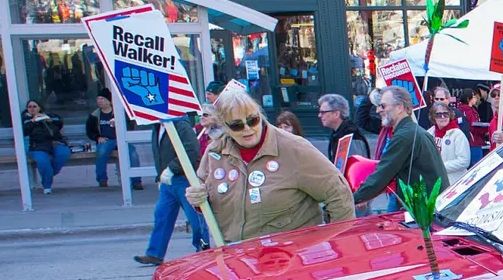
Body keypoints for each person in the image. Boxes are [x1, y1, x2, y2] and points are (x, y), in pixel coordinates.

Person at [183, 86, 354, 243]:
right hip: (237, 261)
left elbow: (338, 193)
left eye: (252, 120)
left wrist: (336, 245)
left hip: (291, 261)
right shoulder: (215, 152)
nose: (247, 129)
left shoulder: (293, 148)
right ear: (224, 126)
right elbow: (205, 190)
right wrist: (198, 198)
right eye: (236, 125)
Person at [352, 85, 447, 207]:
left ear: (399, 108)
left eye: (383, 106)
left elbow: (382, 175)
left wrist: (353, 199)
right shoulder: (410, 131)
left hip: (423, 208)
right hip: (423, 204)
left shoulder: (405, 136)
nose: (378, 110)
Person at [135, 114, 207, 266]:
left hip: (184, 178)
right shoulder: (158, 126)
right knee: (162, 216)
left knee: (195, 219)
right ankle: (155, 253)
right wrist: (160, 176)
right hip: (168, 180)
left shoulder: (180, 125)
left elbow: (192, 151)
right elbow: (160, 155)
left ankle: (203, 251)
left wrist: (171, 169)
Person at [87, 89, 142, 190]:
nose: (100, 101)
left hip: (120, 138)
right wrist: (97, 137)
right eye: (98, 99)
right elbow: (90, 130)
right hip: (106, 140)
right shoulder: (94, 115)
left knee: (132, 153)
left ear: (109, 101)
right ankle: (102, 179)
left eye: (102, 99)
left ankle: (136, 181)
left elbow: (130, 126)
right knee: (102, 152)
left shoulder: (120, 112)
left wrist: (118, 125)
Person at [21, 99, 71, 194]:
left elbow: (59, 123)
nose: (32, 108)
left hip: (54, 142)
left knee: (64, 153)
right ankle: (47, 185)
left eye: (34, 106)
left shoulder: (48, 116)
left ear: (40, 108)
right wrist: (33, 121)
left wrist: (48, 119)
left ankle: (49, 174)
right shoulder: (25, 119)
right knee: (43, 161)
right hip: (36, 145)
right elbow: (24, 131)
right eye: (29, 107)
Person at [316, 93, 371, 163]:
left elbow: (357, 166)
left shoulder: (351, 136)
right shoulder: (338, 132)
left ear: (336, 114)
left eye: (323, 112)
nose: (319, 115)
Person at [429, 103, 471, 184]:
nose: (442, 117)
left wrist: (440, 166)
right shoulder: (430, 133)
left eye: (445, 114)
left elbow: (464, 161)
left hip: (454, 182)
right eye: (438, 115)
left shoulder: (458, 134)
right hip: (435, 180)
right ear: (433, 117)